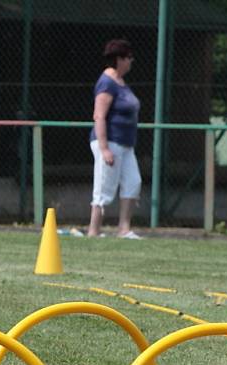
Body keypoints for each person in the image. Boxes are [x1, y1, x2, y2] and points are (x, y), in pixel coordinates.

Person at [88, 38, 142, 239]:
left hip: (126, 144)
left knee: (133, 182)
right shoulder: (107, 83)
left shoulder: (121, 82)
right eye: (128, 58)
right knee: (104, 187)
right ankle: (94, 230)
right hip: (109, 142)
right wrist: (104, 149)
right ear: (118, 59)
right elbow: (99, 116)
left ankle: (124, 229)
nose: (131, 61)